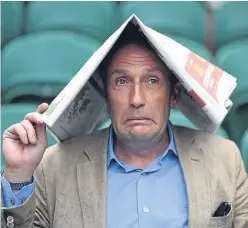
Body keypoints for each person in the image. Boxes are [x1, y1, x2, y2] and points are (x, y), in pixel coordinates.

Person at [1, 24, 248, 228]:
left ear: (174, 95)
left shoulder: (224, 159)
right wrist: (18, 175)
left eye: (152, 81)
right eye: (121, 81)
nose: (137, 99)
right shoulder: (54, 166)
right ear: (106, 97)